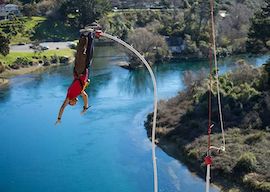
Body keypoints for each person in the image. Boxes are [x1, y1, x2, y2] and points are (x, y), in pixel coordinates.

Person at [56, 25, 102, 124]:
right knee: (80, 54)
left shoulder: (70, 95)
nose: (74, 103)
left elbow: (63, 107)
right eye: (73, 104)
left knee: (89, 54)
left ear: (70, 102)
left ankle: (89, 36)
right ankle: (83, 36)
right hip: (77, 70)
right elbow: (85, 96)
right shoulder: (78, 92)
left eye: (72, 104)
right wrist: (85, 107)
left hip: (81, 70)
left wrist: (59, 118)